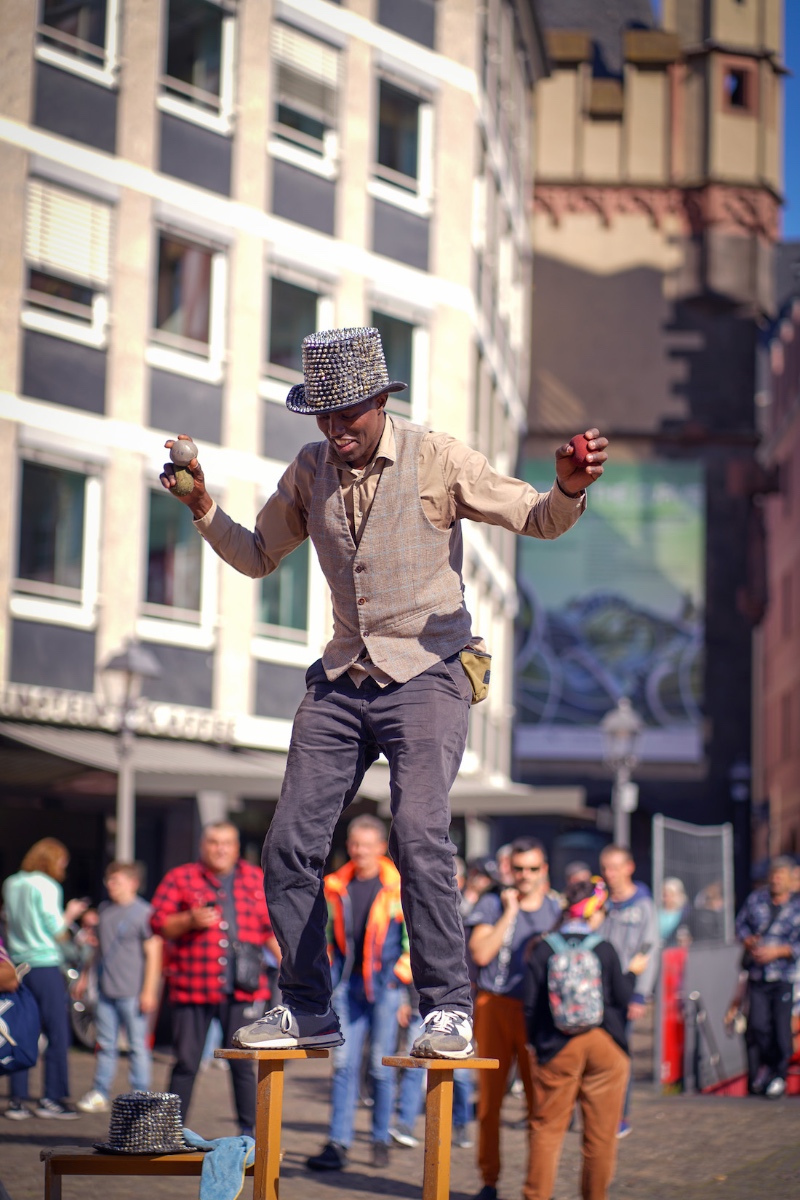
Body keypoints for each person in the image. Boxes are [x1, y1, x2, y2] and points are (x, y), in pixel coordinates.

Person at [159, 325, 608, 1059]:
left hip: (430, 670)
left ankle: (447, 1008)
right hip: (343, 678)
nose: (337, 431)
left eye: (350, 417)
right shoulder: (309, 471)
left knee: (418, 833)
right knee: (288, 845)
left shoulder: (437, 457)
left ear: (379, 401)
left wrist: (568, 487)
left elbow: (536, 517)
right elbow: (257, 556)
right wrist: (203, 505)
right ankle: (307, 1007)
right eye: (325, 418)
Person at [523, 877, 649, 1200]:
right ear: (596, 911)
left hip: (557, 1046)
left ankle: (536, 1195)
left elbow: (531, 1005)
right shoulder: (604, 948)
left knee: (547, 1130)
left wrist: (536, 1045)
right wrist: (633, 972)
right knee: (600, 1136)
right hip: (604, 1044)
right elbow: (621, 997)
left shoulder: (544, 947)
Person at [150, 822, 279, 1133]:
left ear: (236, 848)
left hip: (243, 989)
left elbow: (269, 929)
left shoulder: (253, 878)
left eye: (227, 843)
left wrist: (293, 964)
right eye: (213, 842)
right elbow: (158, 924)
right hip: (193, 986)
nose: (220, 849)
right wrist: (188, 919)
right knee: (186, 1063)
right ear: (202, 845)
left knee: (244, 1065)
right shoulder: (181, 878)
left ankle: (251, 1136)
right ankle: (170, 1133)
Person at [306, 815, 411, 1172]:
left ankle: (380, 1137)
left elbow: (413, 938)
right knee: (344, 1065)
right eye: (355, 844)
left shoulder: (398, 886)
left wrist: (401, 978)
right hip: (347, 987)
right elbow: (328, 938)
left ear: (381, 847)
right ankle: (338, 1142)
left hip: (386, 987)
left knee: (381, 1067)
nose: (360, 851)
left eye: (367, 845)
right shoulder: (336, 885)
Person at [465, 837, 561, 1200]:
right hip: (495, 1006)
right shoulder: (493, 903)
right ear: (509, 870)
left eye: (532, 869)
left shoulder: (555, 910)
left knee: (541, 1104)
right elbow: (481, 952)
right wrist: (510, 913)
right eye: (518, 868)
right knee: (490, 1102)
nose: (525, 876)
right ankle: (489, 1180)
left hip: (539, 1015)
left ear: (544, 870)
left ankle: (537, 1188)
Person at [2, 838, 88, 1119]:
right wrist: (72, 915)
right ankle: (52, 1098)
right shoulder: (48, 885)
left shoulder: (12, 883)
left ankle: (17, 1100)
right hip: (45, 964)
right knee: (57, 1033)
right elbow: (54, 927)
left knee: (21, 1029)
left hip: (18, 965)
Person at [76, 862, 162, 1113]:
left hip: (133, 992)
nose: (111, 886)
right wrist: (84, 977)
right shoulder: (105, 911)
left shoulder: (144, 913)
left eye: (117, 881)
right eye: (109, 881)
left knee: (137, 1046)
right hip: (105, 990)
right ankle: (100, 1091)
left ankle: (140, 1095)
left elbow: (154, 953)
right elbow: (98, 950)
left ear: (133, 883)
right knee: (104, 1045)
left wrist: (149, 990)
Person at [598, 845, 657, 1138]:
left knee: (621, 1054)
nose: (610, 874)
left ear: (629, 867)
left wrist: (640, 994)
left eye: (615, 867)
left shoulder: (643, 904)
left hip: (627, 990)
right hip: (599, 991)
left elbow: (650, 949)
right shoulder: (603, 903)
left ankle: (621, 1115)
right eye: (606, 868)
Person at [735, 856, 800, 1098]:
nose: (776, 880)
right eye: (773, 876)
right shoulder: (757, 899)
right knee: (759, 1025)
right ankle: (767, 1066)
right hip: (758, 975)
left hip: (783, 976)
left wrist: (779, 951)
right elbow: (740, 924)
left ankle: (779, 1074)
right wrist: (749, 940)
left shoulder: (796, 906)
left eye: (781, 876)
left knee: (782, 1029)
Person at [658, 877, 691, 948]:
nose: (666, 898)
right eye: (664, 895)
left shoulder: (685, 914)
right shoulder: (657, 912)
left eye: (669, 895)